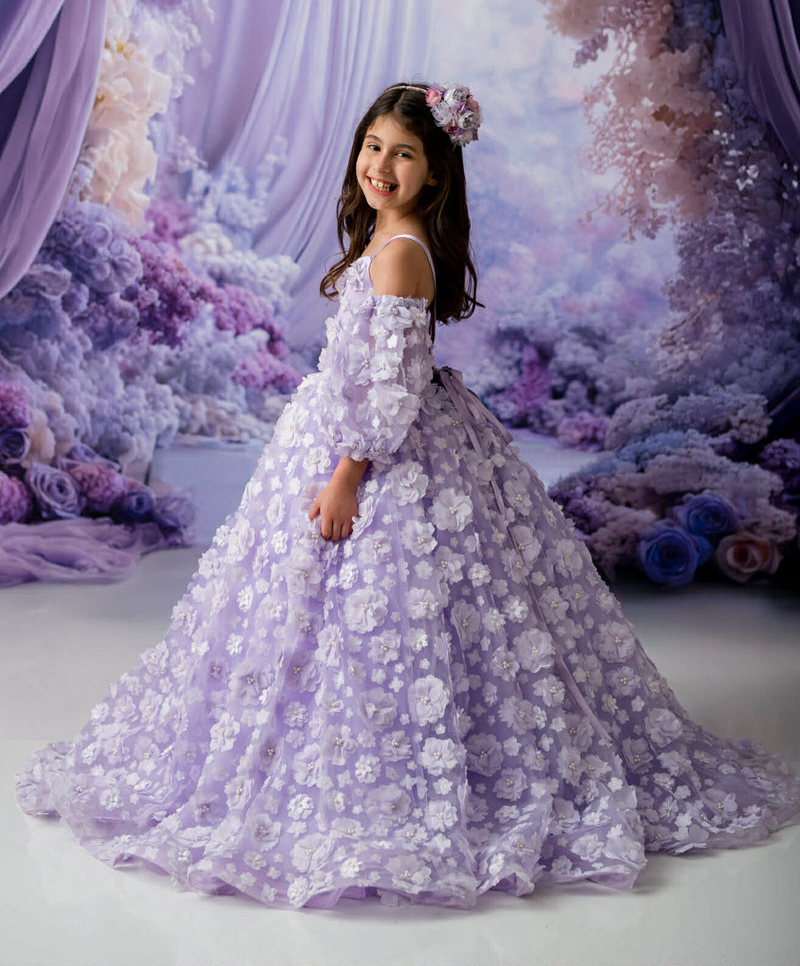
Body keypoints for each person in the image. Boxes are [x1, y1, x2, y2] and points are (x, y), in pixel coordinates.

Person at [17, 82, 800, 909]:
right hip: (352, 428)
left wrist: (347, 474)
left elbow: (389, 391)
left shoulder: (400, 252)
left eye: (404, 153)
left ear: (434, 173)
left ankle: (406, 770)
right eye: (374, 146)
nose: (381, 165)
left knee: (394, 608)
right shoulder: (388, 239)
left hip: (377, 449)